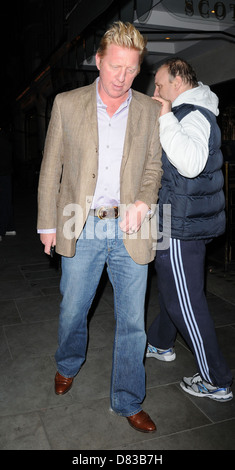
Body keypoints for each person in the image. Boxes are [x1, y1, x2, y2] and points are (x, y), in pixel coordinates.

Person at [37, 21, 162, 432]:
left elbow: (153, 168)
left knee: (133, 322)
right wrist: (47, 223)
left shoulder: (147, 109)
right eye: (115, 67)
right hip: (81, 223)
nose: (121, 78)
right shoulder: (66, 103)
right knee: (73, 309)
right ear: (98, 61)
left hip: (130, 228)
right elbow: (51, 166)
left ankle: (128, 399)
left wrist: (144, 202)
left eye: (130, 70)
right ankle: (68, 363)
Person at [146, 58, 233, 402]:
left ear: (179, 80)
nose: (156, 91)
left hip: (181, 224)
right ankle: (159, 342)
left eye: (160, 84)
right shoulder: (191, 111)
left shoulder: (192, 114)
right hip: (182, 219)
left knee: (186, 300)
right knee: (176, 291)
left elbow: (192, 163)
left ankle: (216, 378)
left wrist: (165, 116)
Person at [0, 126, 16, 242]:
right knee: (6, 201)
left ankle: (1, 230)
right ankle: (9, 227)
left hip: (2, 173)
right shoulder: (5, 138)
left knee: (3, 202)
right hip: (6, 173)